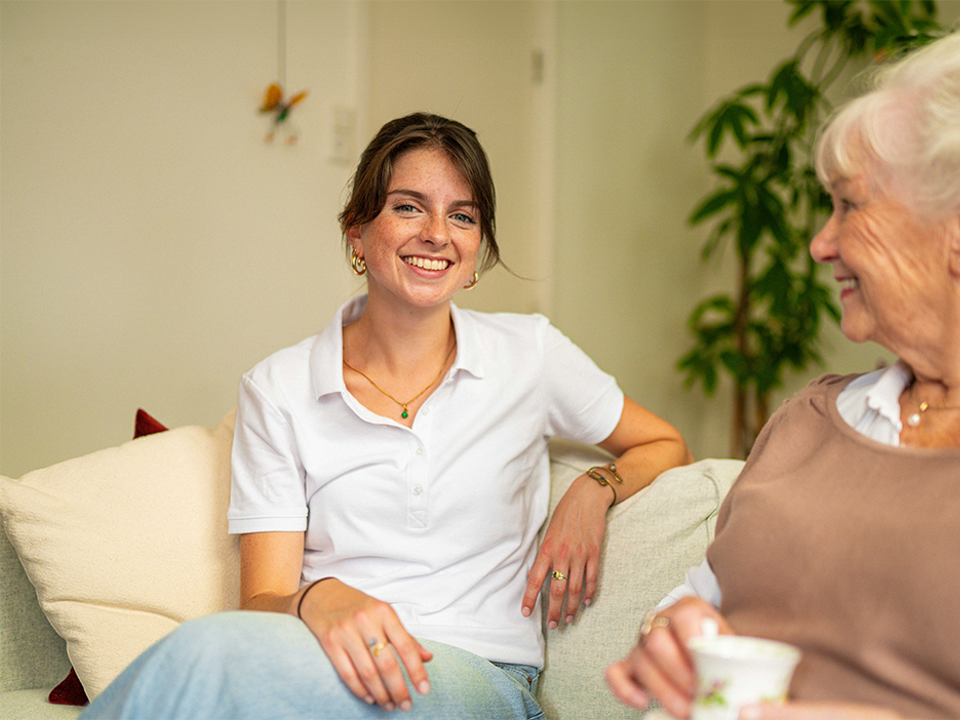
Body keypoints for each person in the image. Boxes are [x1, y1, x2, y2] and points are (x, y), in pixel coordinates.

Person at [79, 112, 692, 720]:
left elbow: (665, 442)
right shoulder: (278, 388)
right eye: (408, 207)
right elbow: (261, 601)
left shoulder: (529, 353)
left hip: (481, 679)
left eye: (462, 215)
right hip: (326, 661)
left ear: (477, 248)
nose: (437, 233)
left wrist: (594, 489)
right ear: (356, 233)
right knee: (209, 653)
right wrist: (317, 598)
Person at [606, 32, 960, 720]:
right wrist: (665, 637)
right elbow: (695, 601)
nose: (819, 243)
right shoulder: (808, 423)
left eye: (850, 205)